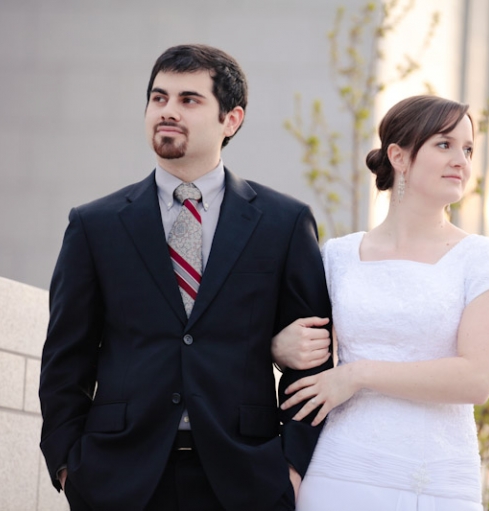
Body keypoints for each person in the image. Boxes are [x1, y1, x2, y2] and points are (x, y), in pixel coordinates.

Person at [39, 44, 332, 511]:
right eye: (159, 98)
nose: (168, 112)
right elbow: (64, 359)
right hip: (117, 479)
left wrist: (290, 469)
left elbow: (314, 364)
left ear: (231, 119)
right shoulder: (95, 225)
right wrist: (68, 466)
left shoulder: (284, 222)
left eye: (188, 100)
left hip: (245, 480)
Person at [272, 95, 489, 510]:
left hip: (434, 480)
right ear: (399, 156)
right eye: (444, 144)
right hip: (337, 471)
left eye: (468, 149)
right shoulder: (337, 255)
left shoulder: (483, 259)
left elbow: (477, 379)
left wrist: (358, 374)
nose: (461, 159)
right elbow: (297, 345)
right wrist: (277, 346)